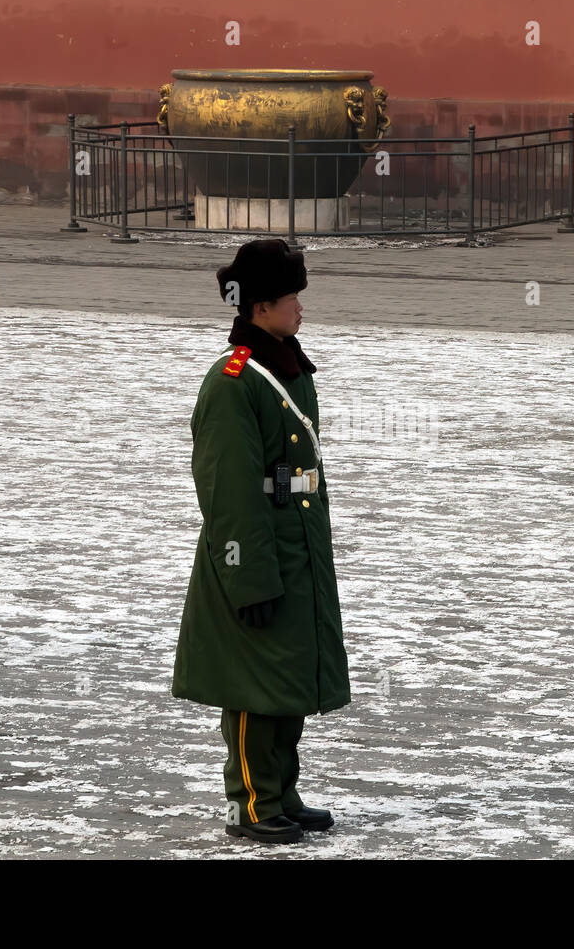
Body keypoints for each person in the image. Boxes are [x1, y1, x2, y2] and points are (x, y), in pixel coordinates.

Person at [173, 238, 350, 842]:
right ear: (260, 307)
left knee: (287, 678)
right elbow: (228, 491)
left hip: (296, 547)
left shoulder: (285, 365)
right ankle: (250, 802)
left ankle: (282, 792)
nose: (300, 308)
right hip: (254, 552)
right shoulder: (233, 382)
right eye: (291, 298)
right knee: (253, 686)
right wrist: (246, 573)